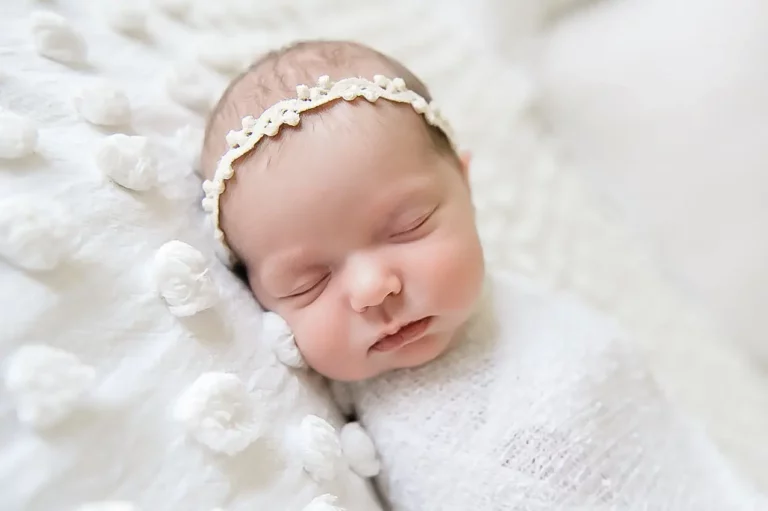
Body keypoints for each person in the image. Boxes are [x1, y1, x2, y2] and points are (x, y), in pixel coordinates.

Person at [201, 40, 766, 510]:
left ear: (466, 188)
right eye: (309, 282)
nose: (374, 288)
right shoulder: (351, 442)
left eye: (409, 226)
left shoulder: (539, 318)